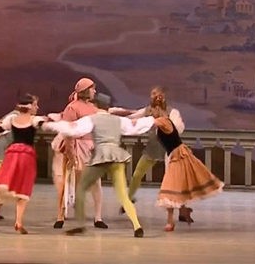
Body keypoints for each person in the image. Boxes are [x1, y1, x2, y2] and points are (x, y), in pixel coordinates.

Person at [44, 92, 155, 238]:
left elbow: (73, 128)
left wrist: (50, 125)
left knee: (81, 188)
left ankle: (80, 225)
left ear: (96, 105)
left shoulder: (92, 119)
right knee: (123, 194)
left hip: (101, 157)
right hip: (116, 157)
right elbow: (135, 126)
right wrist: (153, 120)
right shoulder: (118, 120)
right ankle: (137, 225)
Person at [152, 93, 223, 231]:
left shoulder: (163, 120)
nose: (152, 113)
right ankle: (183, 211)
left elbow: (147, 123)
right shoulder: (163, 120)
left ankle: (171, 221)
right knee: (179, 186)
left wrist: (128, 123)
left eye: (153, 110)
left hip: (179, 156)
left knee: (170, 187)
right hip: (174, 155)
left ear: (158, 109)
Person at [108, 86, 185, 210]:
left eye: (155, 94)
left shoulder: (172, 112)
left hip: (169, 148)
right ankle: (128, 199)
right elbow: (134, 116)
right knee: (137, 174)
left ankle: (180, 207)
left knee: (172, 179)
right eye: (152, 94)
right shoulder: (148, 110)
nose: (154, 97)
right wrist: (115, 116)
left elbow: (178, 128)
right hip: (153, 147)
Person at [0, 94, 48, 234]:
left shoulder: (12, 119)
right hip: (26, 156)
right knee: (23, 187)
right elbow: (45, 125)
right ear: (29, 107)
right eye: (35, 104)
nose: (37, 107)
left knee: (4, 184)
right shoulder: (34, 120)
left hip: (12, 154)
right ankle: (18, 222)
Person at [47, 77, 106, 230]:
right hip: (77, 147)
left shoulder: (92, 108)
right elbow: (68, 133)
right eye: (92, 89)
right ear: (86, 91)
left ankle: (98, 217)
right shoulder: (72, 108)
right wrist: (72, 155)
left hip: (90, 148)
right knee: (67, 182)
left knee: (96, 182)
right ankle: (60, 215)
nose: (95, 91)